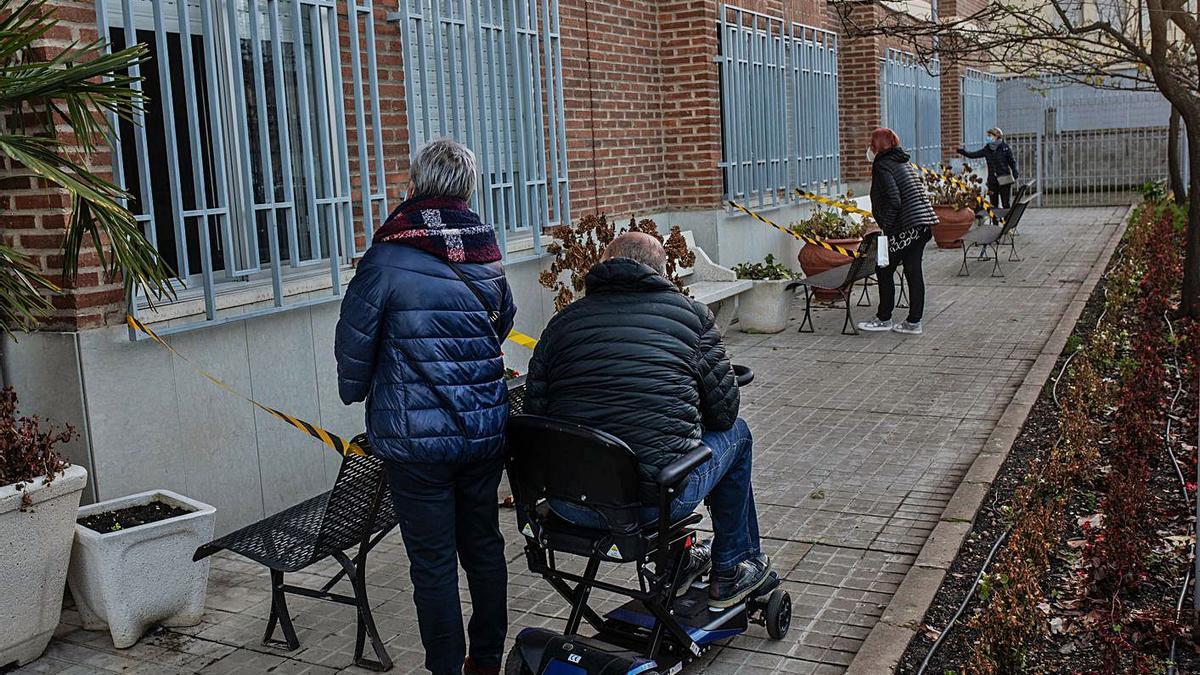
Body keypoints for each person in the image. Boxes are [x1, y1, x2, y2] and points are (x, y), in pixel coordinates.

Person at [335, 139, 516, 675]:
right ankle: (486, 663)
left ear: (412, 187)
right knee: (483, 546)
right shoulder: (485, 249)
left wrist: (356, 389)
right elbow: (500, 323)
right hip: (483, 431)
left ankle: (446, 668)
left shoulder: (387, 256)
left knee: (433, 562)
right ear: (468, 189)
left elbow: (354, 344)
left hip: (415, 444)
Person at [523, 232, 773, 609]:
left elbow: (534, 415)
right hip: (653, 503)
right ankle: (731, 567)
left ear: (604, 267)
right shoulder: (691, 318)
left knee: (658, 449)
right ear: (661, 271)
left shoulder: (562, 325)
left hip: (569, 503)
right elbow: (724, 413)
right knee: (736, 435)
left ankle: (680, 560)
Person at [858, 127, 937, 336]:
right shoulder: (902, 161)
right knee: (913, 271)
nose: (869, 148)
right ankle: (913, 322)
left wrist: (887, 228)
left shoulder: (882, 165)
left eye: (871, 144)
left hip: (906, 227)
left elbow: (894, 200)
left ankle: (884, 318)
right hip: (921, 225)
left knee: (883, 268)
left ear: (877, 146)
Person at [956, 127, 1020, 210]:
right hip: (992, 180)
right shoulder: (987, 149)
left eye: (990, 135)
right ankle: (995, 222)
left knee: (1005, 203)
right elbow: (973, 155)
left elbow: (1011, 161)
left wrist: (1014, 171)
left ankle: (1007, 221)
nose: (988, 137)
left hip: (1004, 179)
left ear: (996, 136)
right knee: (993, 204)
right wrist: (962, 152)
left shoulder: (1005, 148)